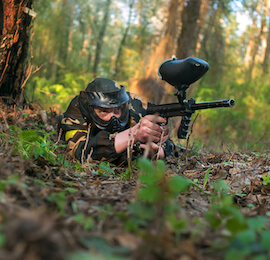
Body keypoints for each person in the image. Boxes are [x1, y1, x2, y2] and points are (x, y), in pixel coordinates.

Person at [59, 78, 175, 164]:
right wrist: (132, 135)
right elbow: (78, 152)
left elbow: (167, 142)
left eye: (117, 110)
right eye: (104, 111)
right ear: (90, 109)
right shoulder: (78, 109)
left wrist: (159, 151)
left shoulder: (133, 107)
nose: (112, 117)